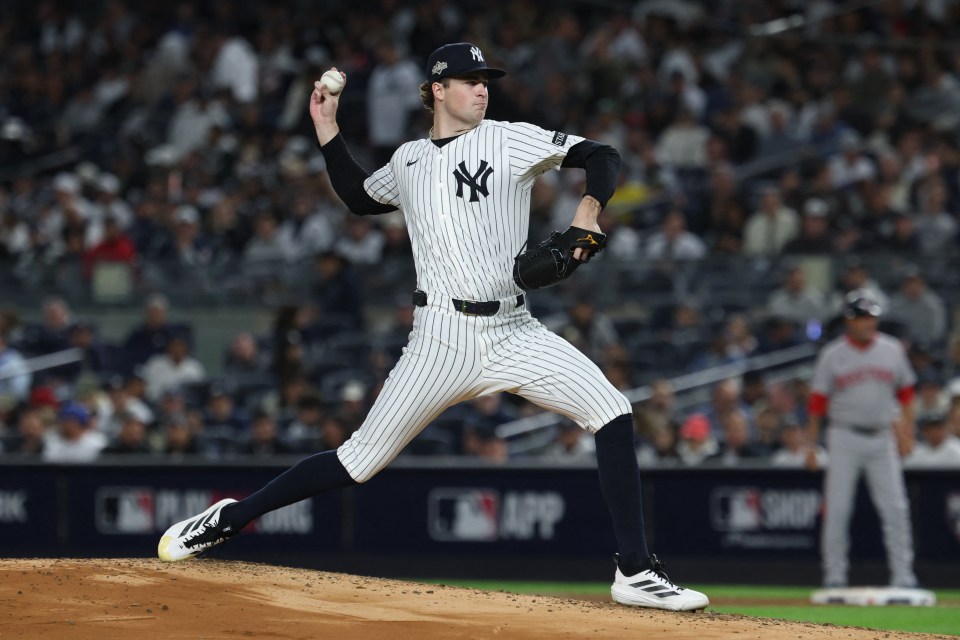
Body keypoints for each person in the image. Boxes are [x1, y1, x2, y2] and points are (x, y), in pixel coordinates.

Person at [157, 42, 707, 612]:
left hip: (514, 330)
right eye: (469, 79)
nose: (482, 88)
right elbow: (358, 197)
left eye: (486, 78)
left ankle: (635, 571)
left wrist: (586, 214)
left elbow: (603, 155)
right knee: (357, 462)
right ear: (438, 90)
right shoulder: (408, 160)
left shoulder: (508, 137)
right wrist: (326, 128)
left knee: (612, 411)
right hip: (439, 339)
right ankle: (229, 517)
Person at [805, 289, 919, 589]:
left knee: (896, 508)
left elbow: (906, 395)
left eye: (872, 317)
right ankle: (834, 576)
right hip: (843, 436)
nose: (869, 322)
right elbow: (817, 404)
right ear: (849, 320)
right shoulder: (832, 354)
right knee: (838, 509)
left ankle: (904, 575)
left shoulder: (892, 349)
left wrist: (907, 433)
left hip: (883, 438)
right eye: (863, 317)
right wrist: (811, 445)